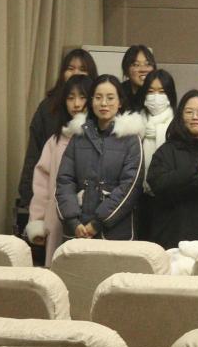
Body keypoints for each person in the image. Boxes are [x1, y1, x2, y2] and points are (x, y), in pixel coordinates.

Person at [16, 47, 97, 236]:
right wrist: (29, 199)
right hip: (54, 200)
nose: (76, 73)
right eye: (70, 68)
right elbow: (35, 158)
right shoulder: (48, 109)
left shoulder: (100, 122)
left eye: (82, 69)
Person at [56, 75, 144, 241]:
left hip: (115, 232)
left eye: (110, 98)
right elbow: (64, 181)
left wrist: (97, 223)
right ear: (91, 101)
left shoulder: (131, 139)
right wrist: (73, 222)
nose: (104, 103)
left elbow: (130, 187)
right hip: (78, 230)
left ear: (120, 102)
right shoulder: (78, 136)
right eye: (98, 97)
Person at [144, 91, 198, 248]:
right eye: (189, 112)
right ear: (180, 116)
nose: (195, 117)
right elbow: (157, 183)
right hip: (173, 238)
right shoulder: (167, 150)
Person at [25, 74, 93, 265]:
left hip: (91, 220)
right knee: (58, 269)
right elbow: (42, 186)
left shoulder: (102, 139)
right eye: (70, 98)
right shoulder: (55, 141)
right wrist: (38, 220)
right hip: (57, 219)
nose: (76, 104)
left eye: (82, 97)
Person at [136, 68, 178, 188]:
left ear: (170, 95)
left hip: (168, 190)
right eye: (150, 91)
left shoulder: (177, 126)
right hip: (138, 190)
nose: (156, 96)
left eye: (162, 92)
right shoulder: (134, 125)